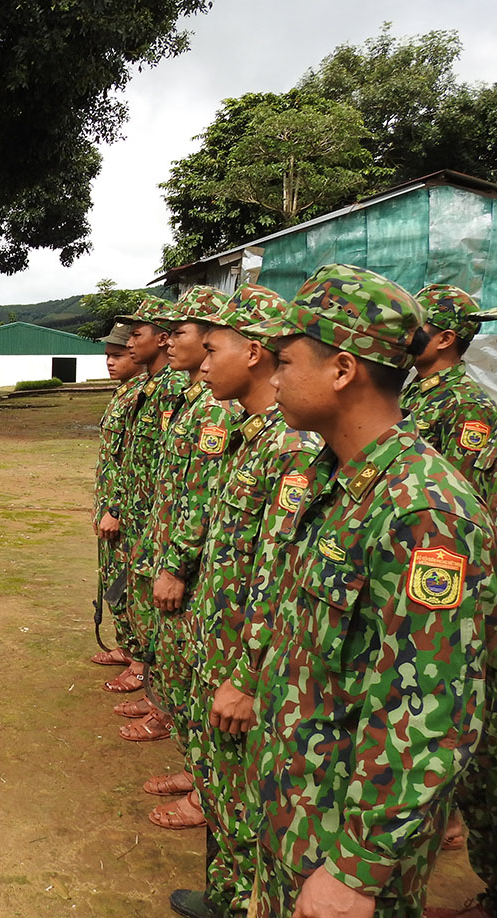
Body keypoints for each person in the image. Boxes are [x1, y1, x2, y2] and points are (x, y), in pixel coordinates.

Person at [240, 264, 495, 918]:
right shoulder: (339, 477)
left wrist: (355, 872)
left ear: (343, 370)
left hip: (344, 851)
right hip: (298, 814)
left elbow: (431, 713)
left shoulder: (424, 512)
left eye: (285, 361)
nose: (273, 378)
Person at [169, 284, 323, 918]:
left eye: (214, 350)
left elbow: (278, 577)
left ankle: (236, 903)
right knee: (225, 796)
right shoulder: (255, 435)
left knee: (242, 807)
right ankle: (226, 896)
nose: (204, 364)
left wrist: (246, 674)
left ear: (253, 354)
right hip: (223, 648)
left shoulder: (292, 449)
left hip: (245, 663)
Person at [127, 285, 233, 831]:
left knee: (196, 676)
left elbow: (203, 497)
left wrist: (176, 564)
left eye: (182, 333)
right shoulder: (194, 400)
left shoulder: (217, 410)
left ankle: (205, 787)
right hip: (172, 550)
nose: (169, 341)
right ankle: (197, 774)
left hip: (196, 570)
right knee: (179, 667)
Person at [99, 297, 187, 695]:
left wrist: (120, 510)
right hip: (133, 511)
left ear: (162, 338)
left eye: (136, 336)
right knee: (125, 588)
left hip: (150, 517)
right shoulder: (148, 389)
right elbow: (131, 458)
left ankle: (144, 669)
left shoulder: (174, 389)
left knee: (142, 594)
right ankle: (134, 653)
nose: (129, 344)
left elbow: (163, 466)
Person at [400, 284, 497, 506]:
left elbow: (462, 498)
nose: (404, 336)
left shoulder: (467, 406)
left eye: (415, 327)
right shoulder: (416, 390)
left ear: (444, 340)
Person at [91, 322, 146, 668]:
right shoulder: (124, 392)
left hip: (125, 511)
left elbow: (135, 463)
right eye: (107, 356)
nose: (110, 362)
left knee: (128, 585)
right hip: (111, 507)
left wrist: (116, 509)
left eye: (117, 355)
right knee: (113, 580)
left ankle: (139, 659)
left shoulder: (142, 396)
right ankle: (126, 646)